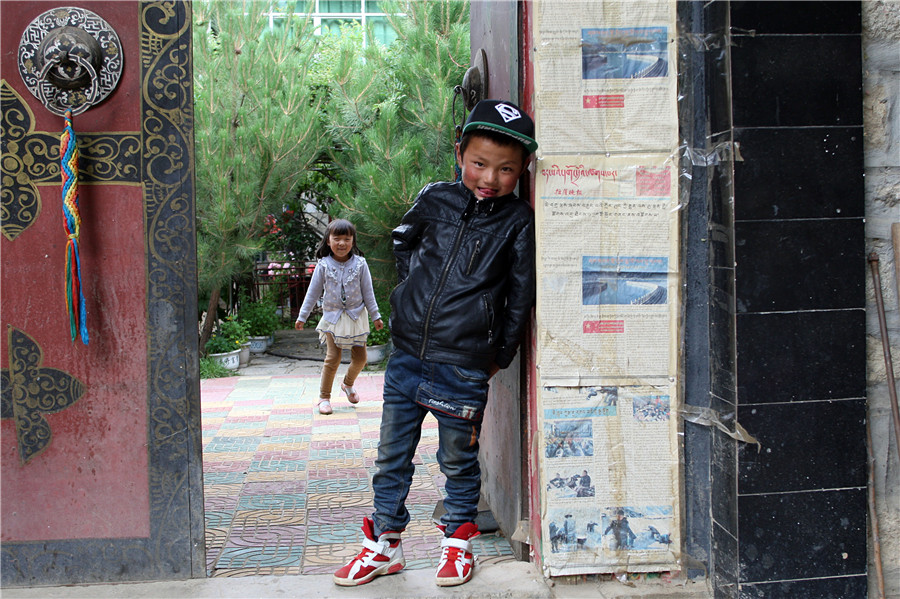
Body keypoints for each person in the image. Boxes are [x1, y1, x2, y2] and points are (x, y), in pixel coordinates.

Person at [333, 99, 537, 588]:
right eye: (479, 163)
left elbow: (519, 296)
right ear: (460, 156)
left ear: (522, 171)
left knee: (457, 460)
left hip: (464, 365)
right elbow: (404, 240)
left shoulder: (518, 221)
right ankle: (384, 544)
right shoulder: (435, 199)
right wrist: (409, 296)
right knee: (391, 454)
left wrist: (499, 356)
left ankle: (457, 545)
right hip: (407, 358)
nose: (490, 177)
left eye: (506, 169)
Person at [295, 219, 383, 415]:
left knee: (361, 359)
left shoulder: (361, 264)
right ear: (328, 241)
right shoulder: (323, 265)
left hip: (356, 316)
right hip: (333, 318)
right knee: (332, 358)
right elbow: (312, 292)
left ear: (353, 241)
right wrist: (303, 316)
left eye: (347, 238)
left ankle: (348, 384)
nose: (342, 243)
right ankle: (324, 397)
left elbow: (368, 292)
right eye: (337, 238)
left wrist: (376, 316)